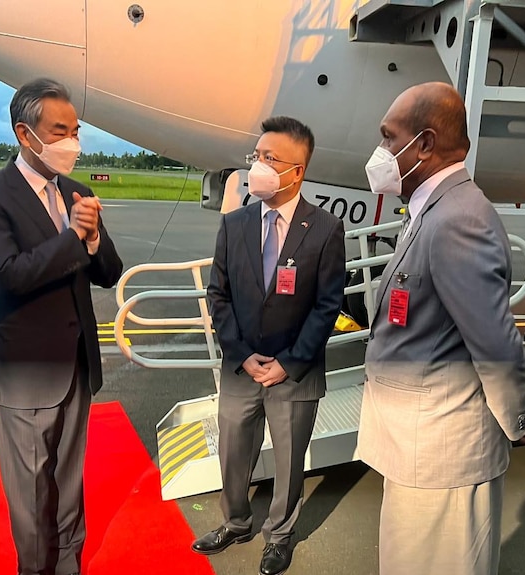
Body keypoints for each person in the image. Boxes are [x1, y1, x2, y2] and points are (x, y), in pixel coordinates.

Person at [358, 82, 525, 575]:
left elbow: (495, 344)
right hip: (420, 451)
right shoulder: (433, 207)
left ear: (423, 144)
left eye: (389, 138)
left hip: (443, 457)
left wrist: (515, 417)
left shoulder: (458, 218)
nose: (381, 152)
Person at [0, 78, 122, 575]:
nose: (72, 141)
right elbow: (11, 275)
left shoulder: (77, 191)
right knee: (32, 490)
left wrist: (92, 241)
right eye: (60, 131)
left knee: (69, 482)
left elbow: (110, 273)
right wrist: (74, 235)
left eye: (76, 130)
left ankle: (70, 565)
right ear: (25, 134)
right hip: (25, 367)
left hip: (75, 363)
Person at [195, 116, 345, 575]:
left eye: (269, 158)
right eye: (255, 156)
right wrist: (241, 355)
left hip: (293, 373)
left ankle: (279, 534)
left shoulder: (324, 229)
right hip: (242, 368)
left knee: (289, 459)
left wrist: (289, 363)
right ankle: (237, 522)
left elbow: (327, 305)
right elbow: (218, 295)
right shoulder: (235, 223)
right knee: (233, 452)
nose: (257, 166)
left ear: (295, 172)